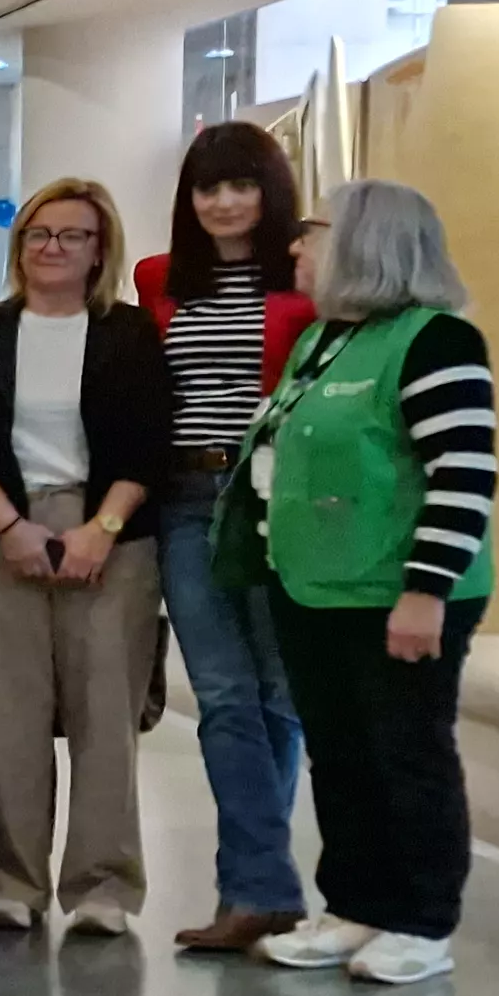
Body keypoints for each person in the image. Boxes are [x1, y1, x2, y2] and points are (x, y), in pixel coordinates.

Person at [220, 180, 496, 987]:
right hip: (316, 590)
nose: (297, 248)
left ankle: (421, 919)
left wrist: (427, 591)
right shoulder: (324, 341)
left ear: (367, 243)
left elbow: (464, 475)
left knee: (407, 753)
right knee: (339, 755)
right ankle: (355, 905)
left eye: (314, 233)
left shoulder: (436, 340)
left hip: (400, 593)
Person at [0, 178, 172, 935]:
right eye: (40, 234)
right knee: (1, 716)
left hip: (109, 533)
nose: (53, 248)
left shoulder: (131, 335)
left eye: (73, 236)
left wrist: (101, 528)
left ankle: (103, 886)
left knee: (107, 715)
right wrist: (9, 526)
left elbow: (147, 443)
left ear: (99, 250)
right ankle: (11, 879)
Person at [135, 124, 320, 953]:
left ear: (268, 190)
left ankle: (254, 888)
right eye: (207, 188)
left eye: (240, 185)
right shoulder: (158, 280)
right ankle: (261, 889)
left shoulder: (308, 285)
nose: (222, 202)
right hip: (184, 495)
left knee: (280, 697)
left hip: (278, 502)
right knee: (221, 695)